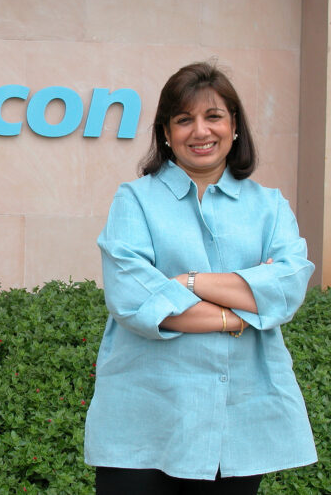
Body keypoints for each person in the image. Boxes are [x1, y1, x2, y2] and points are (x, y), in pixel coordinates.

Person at [84, 62, 317, 495]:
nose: (200, 131)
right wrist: (243, 312)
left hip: (238, 419)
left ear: (233, 127)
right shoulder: (135, 201)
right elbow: (134, 299)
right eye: (183, 119)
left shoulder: (270, 206)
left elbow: (286, 288)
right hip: (144, 417)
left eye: (213, 116)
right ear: (166, 133)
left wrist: (187, 282)